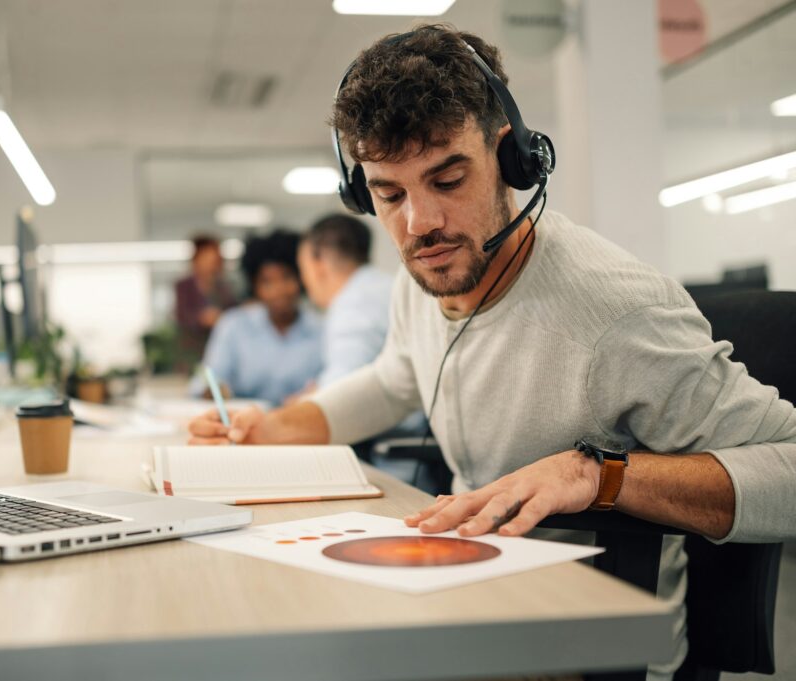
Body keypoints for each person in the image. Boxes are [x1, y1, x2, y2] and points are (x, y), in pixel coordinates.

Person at [190, 25, 796, 679]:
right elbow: (396, 377)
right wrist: (273, 427)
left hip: (586, 646)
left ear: (513, 159)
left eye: (448, 178)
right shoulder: (424, 271)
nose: (420, 223)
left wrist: (600, 475)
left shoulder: (617, 312)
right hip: (468, 601)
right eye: (389, 194)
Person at [190, 229, 322, 407]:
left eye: (287, 277)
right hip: (245, 426)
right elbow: (205, 381)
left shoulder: (322, 328)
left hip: (303, 427)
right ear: (255, 286)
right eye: (267, 282)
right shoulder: (233, 326)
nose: (279, 290)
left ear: (301, 279)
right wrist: (214, 389)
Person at [297, 213, 393, 388]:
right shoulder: (386, 285)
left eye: (303, 269)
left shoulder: (353, 306)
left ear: (319, 265)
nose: (304, 281)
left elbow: (343, 386)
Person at [174, 235, 237, 363]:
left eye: (215, 259)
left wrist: (222, 318)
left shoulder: (224, 288)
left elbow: (234, 313)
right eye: (207, 258)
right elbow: (181, 316)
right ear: (196, 259)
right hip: (192, 352)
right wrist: (201, 318)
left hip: (221, 351)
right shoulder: (184, 287)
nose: (211, 264)